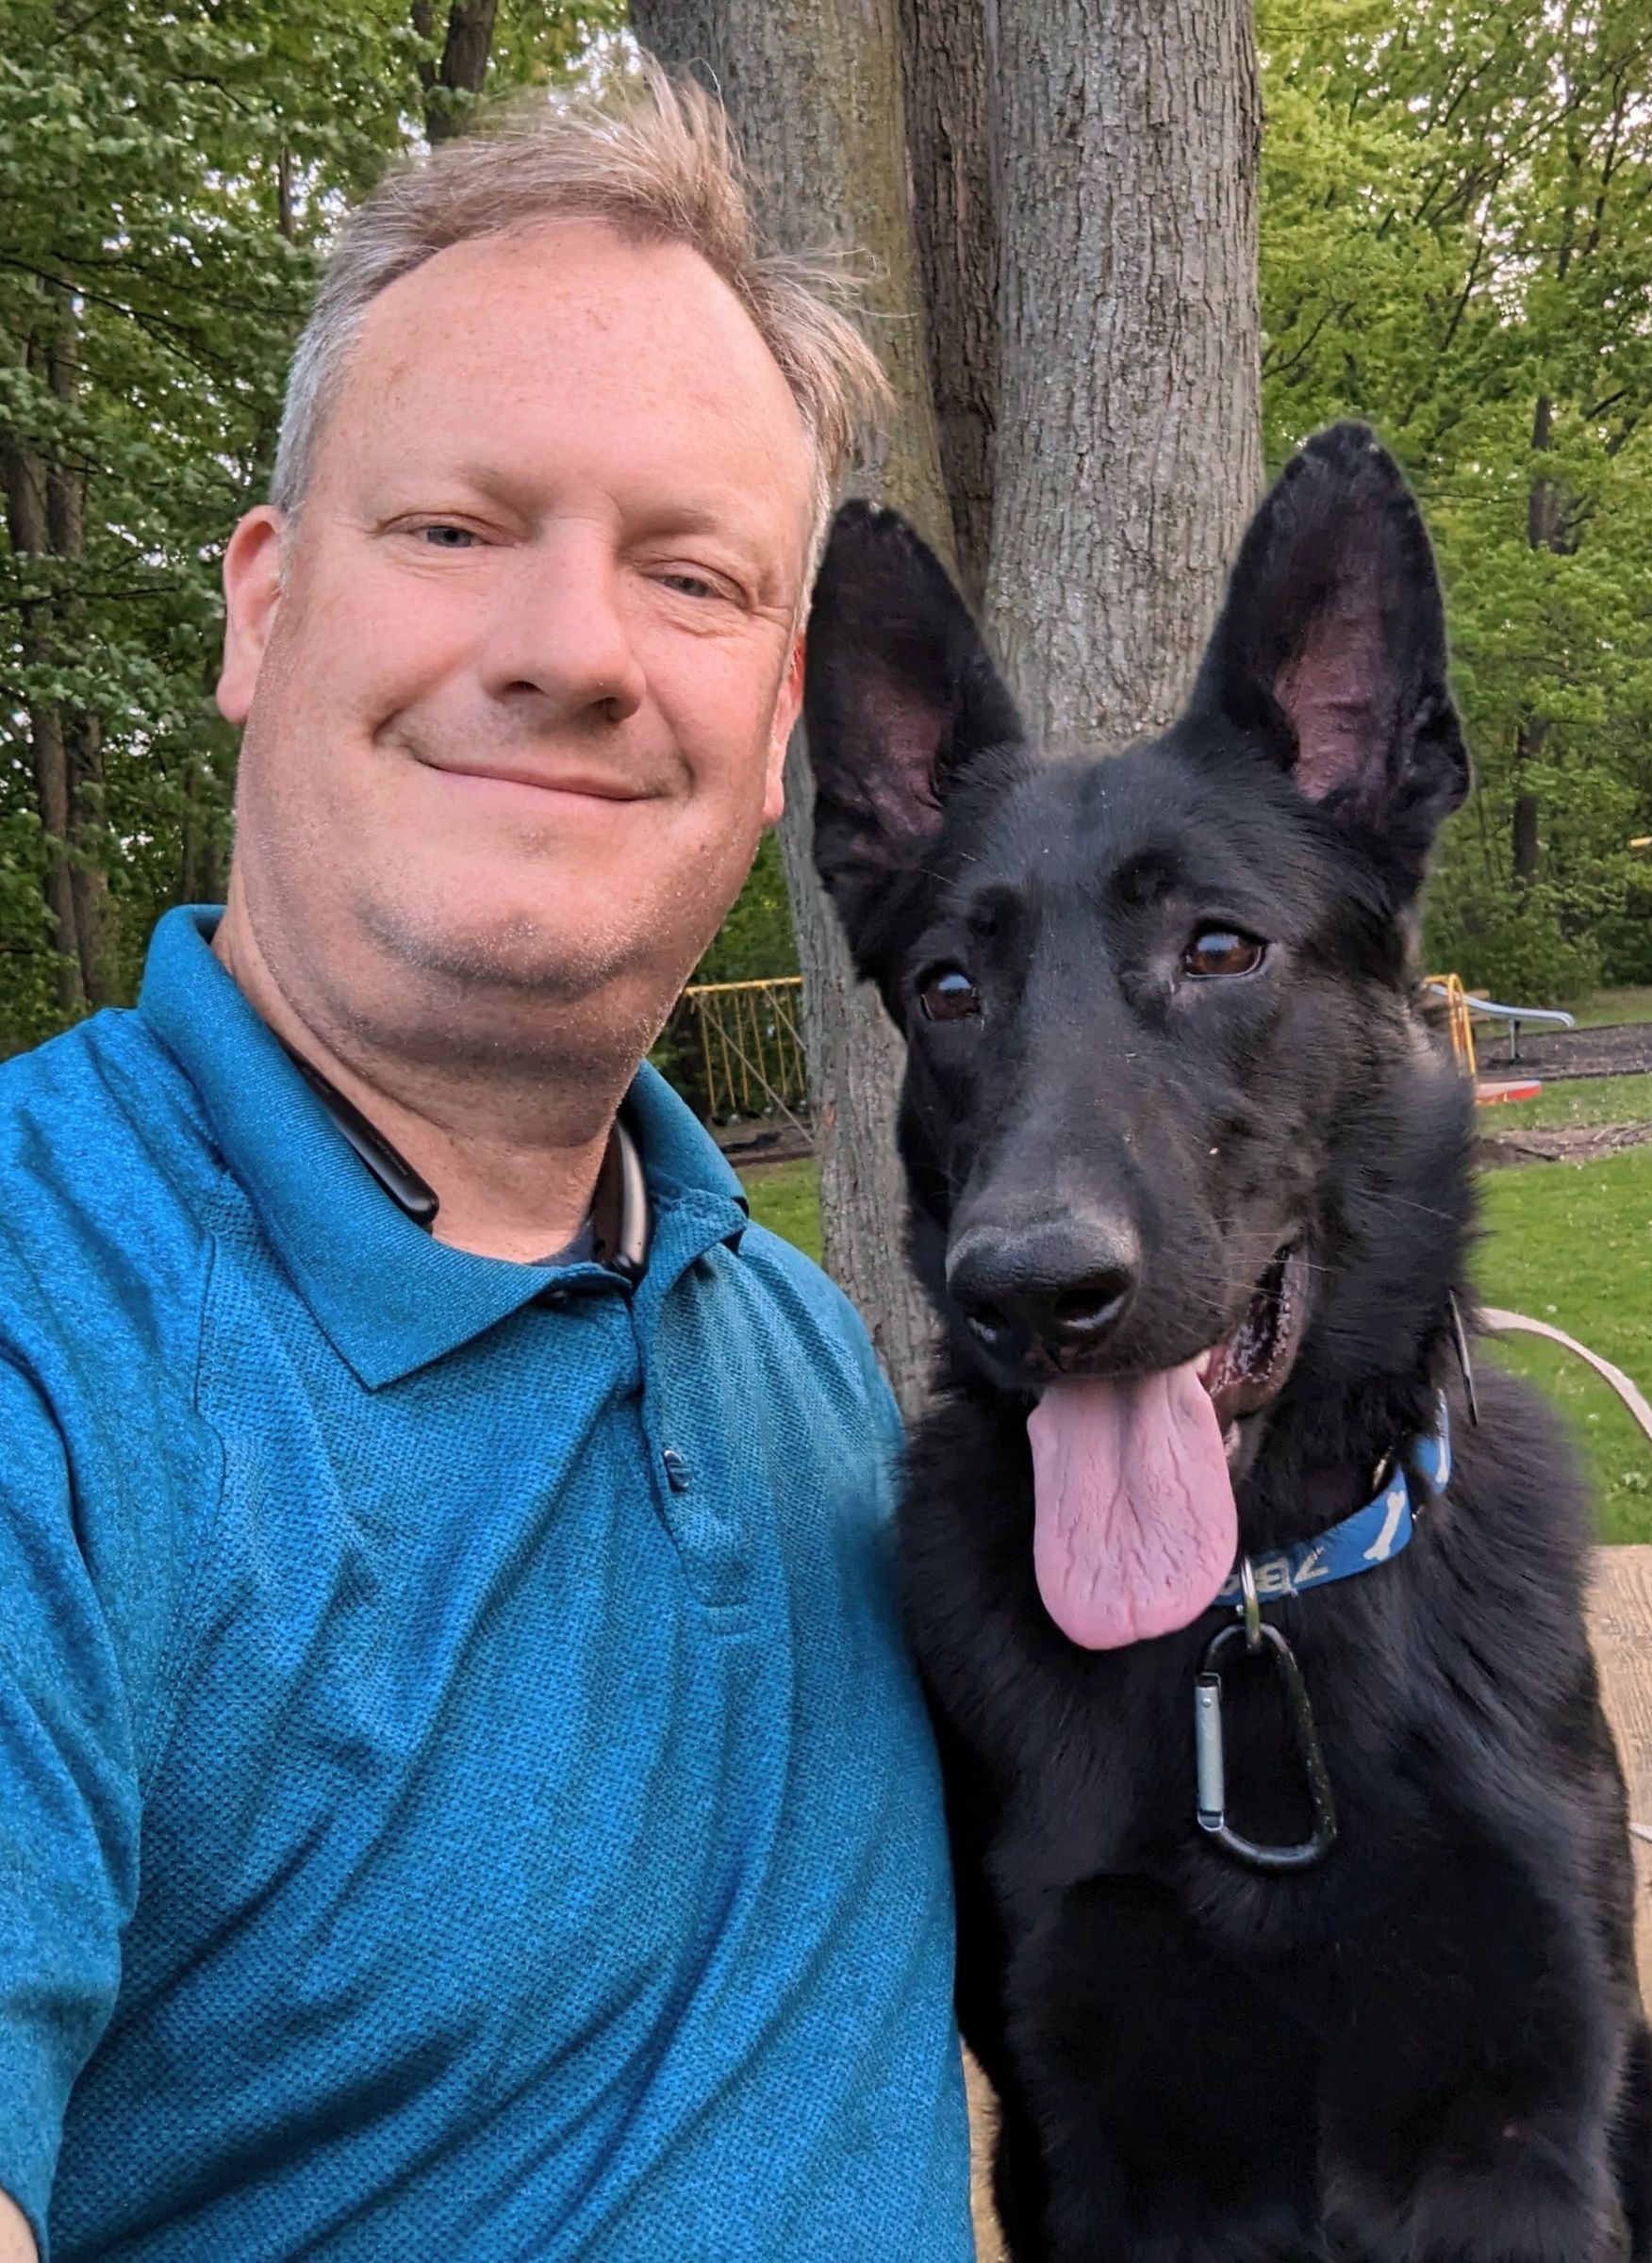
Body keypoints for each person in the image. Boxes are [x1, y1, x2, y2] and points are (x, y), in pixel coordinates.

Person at [0, 65, 975, 2263]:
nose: (571, 650)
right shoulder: (48, 1322)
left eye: (692, 574)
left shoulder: (796, 1347)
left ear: (782, 721)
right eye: (454, 532)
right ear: (262, 608)